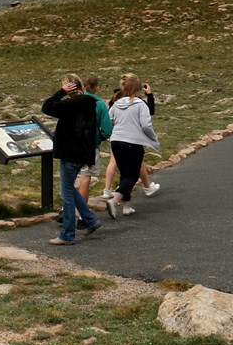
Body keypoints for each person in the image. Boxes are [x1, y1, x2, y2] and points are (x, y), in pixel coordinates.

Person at [41, 74, 102, 244]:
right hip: (82, 154)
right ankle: (90, 220)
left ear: (69, 87)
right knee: (70, 189)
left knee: (66, 194)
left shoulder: (70, 105)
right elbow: (90, 131)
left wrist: (60, 92)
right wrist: (89, 156)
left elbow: (46, 107)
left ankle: (67, 235)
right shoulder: (89, 103)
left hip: (70, 154)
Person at [58, 74, 113, 228]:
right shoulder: (98, 104)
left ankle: (68, 213)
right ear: (96, 87)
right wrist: (99, 138)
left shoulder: (70, 102)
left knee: (67, 184)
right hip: (90, 147)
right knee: (85, 177)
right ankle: (84, 217)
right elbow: (107, 130)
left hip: (70, 148)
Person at [106, 73, 160, 219]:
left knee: (124, 173)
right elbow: (146, 125)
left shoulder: (116, 104)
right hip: (133, 143)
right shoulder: (140, 105)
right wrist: (152, 138)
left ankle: (126, 206)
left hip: (116, 142)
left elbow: (109, 121)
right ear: (138, 89)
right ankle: (115, 200)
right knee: (133, 174)